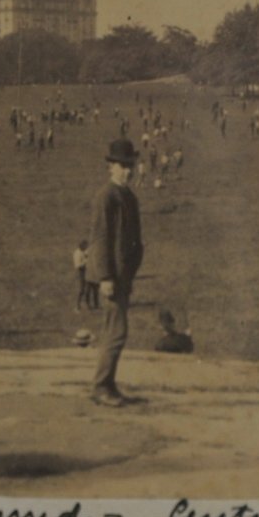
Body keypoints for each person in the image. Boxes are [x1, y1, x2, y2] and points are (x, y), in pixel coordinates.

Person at [86, 138, 143, 407]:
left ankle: (108, 385)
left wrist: (130, 271)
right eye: (123, 165)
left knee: (114, 331)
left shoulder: (129, 197)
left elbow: (135, 239)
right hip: (112, 277)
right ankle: (100, 386)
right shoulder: (105, 197)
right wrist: (105, 277)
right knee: (116, 331)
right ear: (110, 166)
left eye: (130, 165)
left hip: (124, 276)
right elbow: (100, 239)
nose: (128, 170)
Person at [74, 239, 90, 311]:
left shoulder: (83, 252)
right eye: (85, 246)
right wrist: (86, 262)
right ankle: (77, 306)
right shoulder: (77, 253)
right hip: (81, 272)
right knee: (81, 289)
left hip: (86, 271)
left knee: (87, 288)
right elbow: (78, 265)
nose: (86, 248)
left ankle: (87, 304)